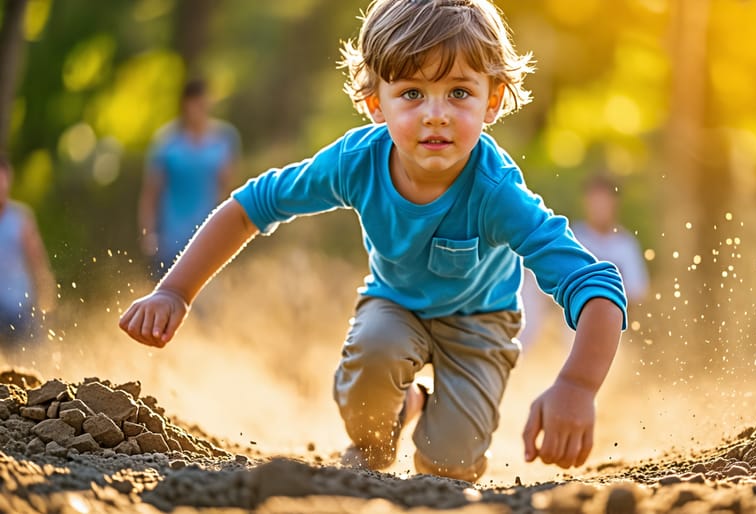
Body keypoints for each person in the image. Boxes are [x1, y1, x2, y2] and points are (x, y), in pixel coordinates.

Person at [119, 0, 626, 482]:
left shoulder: (497, 193)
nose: (436, 114)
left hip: (480, 323)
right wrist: (175, 291)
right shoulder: (356, 161)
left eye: (459, 92)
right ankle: (391, 417)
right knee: (374, 380)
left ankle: (435, 421)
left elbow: (596, 283)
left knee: (448, 466)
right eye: (411, 93)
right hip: (394, 305)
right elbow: (254, 205)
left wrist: (576, 386)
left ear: (492, 99)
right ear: (373, 102)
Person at [519, 173, 647, 349]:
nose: (599, 207)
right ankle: (519, 349)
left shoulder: (626, 245)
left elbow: (636, 292)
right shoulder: (573, 237)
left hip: (611, 319)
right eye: (595, 201)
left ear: (615, 203)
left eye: (604, 201)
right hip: (571, 316)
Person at [138, 78, 240, 278]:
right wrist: (148, 233)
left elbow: (229, 189)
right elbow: (151, 193)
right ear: (185, 105)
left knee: (207, 303)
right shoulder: (167, 143)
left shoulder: (224, 139)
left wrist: (231, 232)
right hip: (171, 239)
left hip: (209, 237)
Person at [0, 156, 56, 351]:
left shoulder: (20, 218)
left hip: (19, 304)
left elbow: (37, 260)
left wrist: (45, 293)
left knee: (26, 359)